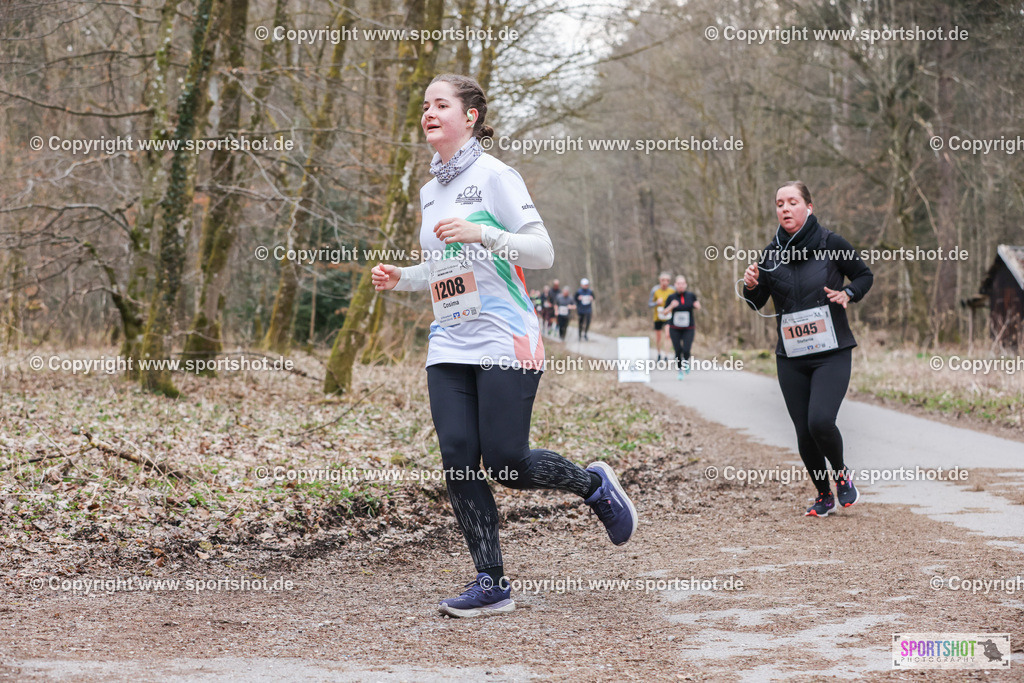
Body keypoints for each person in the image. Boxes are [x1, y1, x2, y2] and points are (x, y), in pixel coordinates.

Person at [371, 73, 637, 618]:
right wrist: (405, 277)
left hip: (504, 337)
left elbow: (541, 251)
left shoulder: (496, 176)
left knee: (507, 461)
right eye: (425, 105)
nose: (429, 112)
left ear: (469, 116)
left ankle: (593, 485)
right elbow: (448, 265)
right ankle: (491, 582)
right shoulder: (429, 188)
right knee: (459, 461)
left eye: (440, 104)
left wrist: (483, 234)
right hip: (450, 339)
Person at [742, 181, 873, 518]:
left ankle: (841, 473)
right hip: (791, 356)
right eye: (779, 203)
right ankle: (822, 494)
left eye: (792, 202)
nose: (785, 208)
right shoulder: (770, 254)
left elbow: (863, 275)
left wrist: (849, 294)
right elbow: (757, 303)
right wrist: (751, 286)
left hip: (832, 351)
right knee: (803, 431)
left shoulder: (832, 243)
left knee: (820, 421)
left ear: (809, 207)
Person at [663, 275, 700, 379]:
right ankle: (680, 370)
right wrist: (671, 306)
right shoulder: (671, 297)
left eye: (682, 283)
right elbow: (664, 312)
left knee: (686, 349)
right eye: (678, 284)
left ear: (686, 285)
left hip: (689, 328)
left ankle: (686, 361)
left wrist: (697, 306)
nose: (680, 286)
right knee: (678, 350)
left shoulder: (691, 295)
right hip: (674, 328)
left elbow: (698, 306)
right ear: (675, 285)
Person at [648, 273, 674, 361]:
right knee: (658, 337)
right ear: (660, 280)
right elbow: (649, 304)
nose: (665, 282)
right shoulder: (655, 290)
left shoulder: (672, 290)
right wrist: (656, 303)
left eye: (667, 280)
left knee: (668, 335)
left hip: (668, 316)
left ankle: (666, 355)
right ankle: (659, 353)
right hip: (658, 316)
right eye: (663, 280)